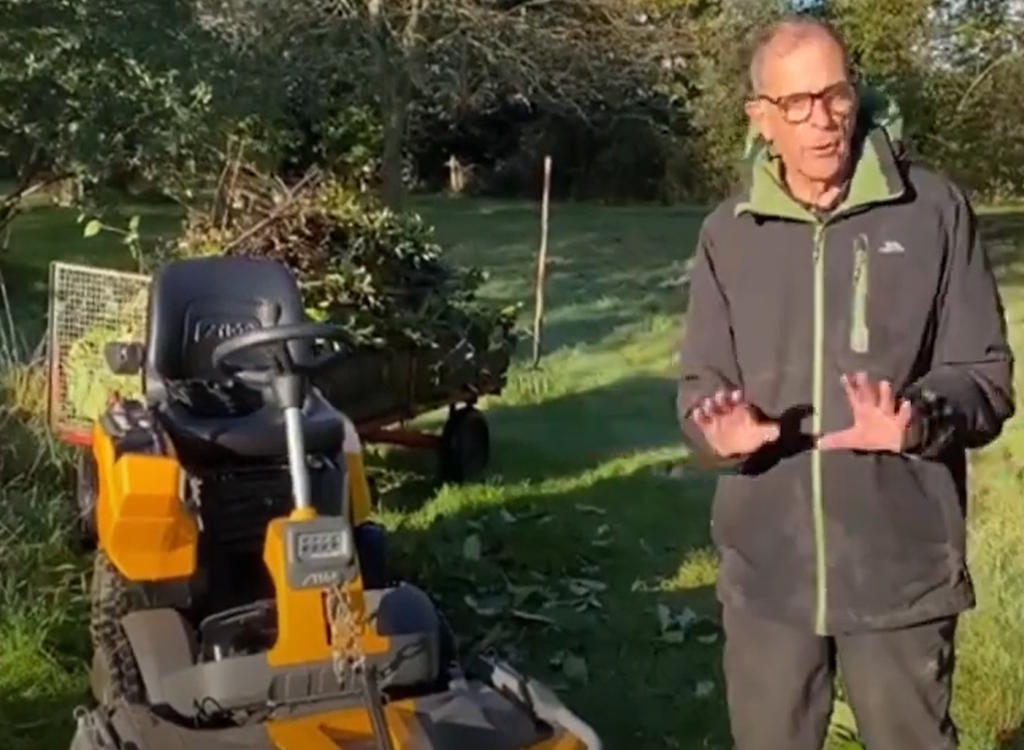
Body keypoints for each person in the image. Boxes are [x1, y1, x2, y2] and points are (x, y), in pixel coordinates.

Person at [676, 15, 1015, 750]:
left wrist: (918, 419)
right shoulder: (727, 235)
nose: (823, 121)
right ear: (760, 119)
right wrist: (717, 433)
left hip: (900, 569)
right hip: (770, 576)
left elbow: (985, 376)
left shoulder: (932, 211)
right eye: (796, 104)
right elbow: (700, 384)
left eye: (835, 95)